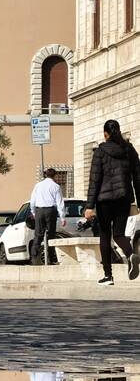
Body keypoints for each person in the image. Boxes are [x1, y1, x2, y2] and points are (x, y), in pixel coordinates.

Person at [84, 119, 140, 286]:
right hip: (123, 199)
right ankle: (130, 254)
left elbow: (95, 180)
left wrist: (89, 206)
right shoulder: (129, 150)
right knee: (119, 235)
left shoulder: (100, 151)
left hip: (104, 201)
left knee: (105, 236)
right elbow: (138, 178)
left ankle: (108, 276)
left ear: (105, 134)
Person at [29, 168, 65, 266]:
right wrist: (62, 217)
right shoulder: (56, 186)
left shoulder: (38, 185)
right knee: (51, 235)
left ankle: (34, 258)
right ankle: (50, 259)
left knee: (38, 235)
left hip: (39, 210)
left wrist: (33, 212)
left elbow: (32, 200)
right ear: (55, 176)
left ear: (45, 175)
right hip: (50, 211)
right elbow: (60, 202)